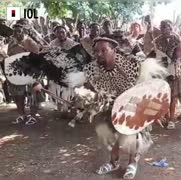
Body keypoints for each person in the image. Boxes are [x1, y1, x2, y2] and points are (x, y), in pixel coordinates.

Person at [34, 36, 167, 179]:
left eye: (104, 50)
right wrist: (84, 100)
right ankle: (113, 162)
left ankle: (132, 163)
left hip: (134, 102)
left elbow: (147, 89)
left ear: (114, 50)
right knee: (111, 133)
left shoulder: (132, 65)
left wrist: (149, 109)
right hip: (111, 104)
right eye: (96, 51)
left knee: (132, 135)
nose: (99, 54)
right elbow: (74, 82)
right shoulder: (92, 69)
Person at [7, 23, 42, 125]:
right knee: (18, 95)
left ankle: (33, 115)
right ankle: (21, 115)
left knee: (33, 94)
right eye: (15, 32)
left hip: (30, 71)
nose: (17, 33)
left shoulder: (29, 41)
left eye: (19, 31)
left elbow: (37, 54)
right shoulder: (11, 44)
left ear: (23, 31)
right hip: (17, 72)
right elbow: (9, 57)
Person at [153, 20, 181, 129]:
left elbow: (178, 54)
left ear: (170, 28)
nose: (163, 29)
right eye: (162, 27)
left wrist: (170, 60)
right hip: (161, 71)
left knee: (173, 95)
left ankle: (171, 119)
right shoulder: (157, 41)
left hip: (174, 71)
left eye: (165, 27)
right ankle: (165, 116)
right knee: (163, 95)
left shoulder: (177, 39)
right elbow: (155, 54)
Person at [49, 25, 79, 113]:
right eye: (58, 32)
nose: (61, 34)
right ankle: (60, 108)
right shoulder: (52, 44)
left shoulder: (73, 44)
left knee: (69, 90)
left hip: (69, 71)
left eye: (63, 32)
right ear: (55, 34)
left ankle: (69, 107)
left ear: (66, 33)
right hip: (57, 71)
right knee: (57, 90)